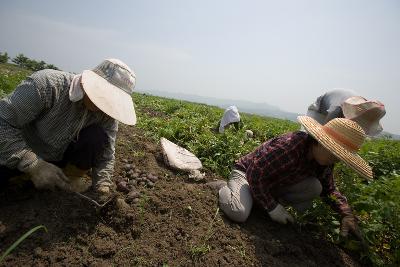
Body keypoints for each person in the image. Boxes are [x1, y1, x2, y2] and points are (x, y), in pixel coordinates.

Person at [208, 116, 373, 240]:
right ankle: (224, 187)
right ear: (321, 142)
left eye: (340, 157)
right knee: (238, 213)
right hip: (246, 175)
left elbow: (329, 189)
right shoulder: (290, 147)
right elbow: (255, 173)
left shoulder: (324, 162)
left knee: (316, 187)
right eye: (334, 153)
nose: (335, 160)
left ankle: (259, 203)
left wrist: (346, 213)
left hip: (271, 184)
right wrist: (273, 207)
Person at [0, 58, 137, 198]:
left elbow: (106, 153)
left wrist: (103, 186)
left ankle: (69, 178)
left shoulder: (107, 113)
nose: (105, 106)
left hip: (58, 156)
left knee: (97, 136)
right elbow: (2, 121)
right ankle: (23, 176)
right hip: (16, 150)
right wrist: (32, 164)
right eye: (104, 96)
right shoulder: (47, 85)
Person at [306, 89, 386, 136]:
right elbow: (326, 132)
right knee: (311, 137)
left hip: (336, 106)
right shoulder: (337, 110)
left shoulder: (362, 109)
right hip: (319, 110)